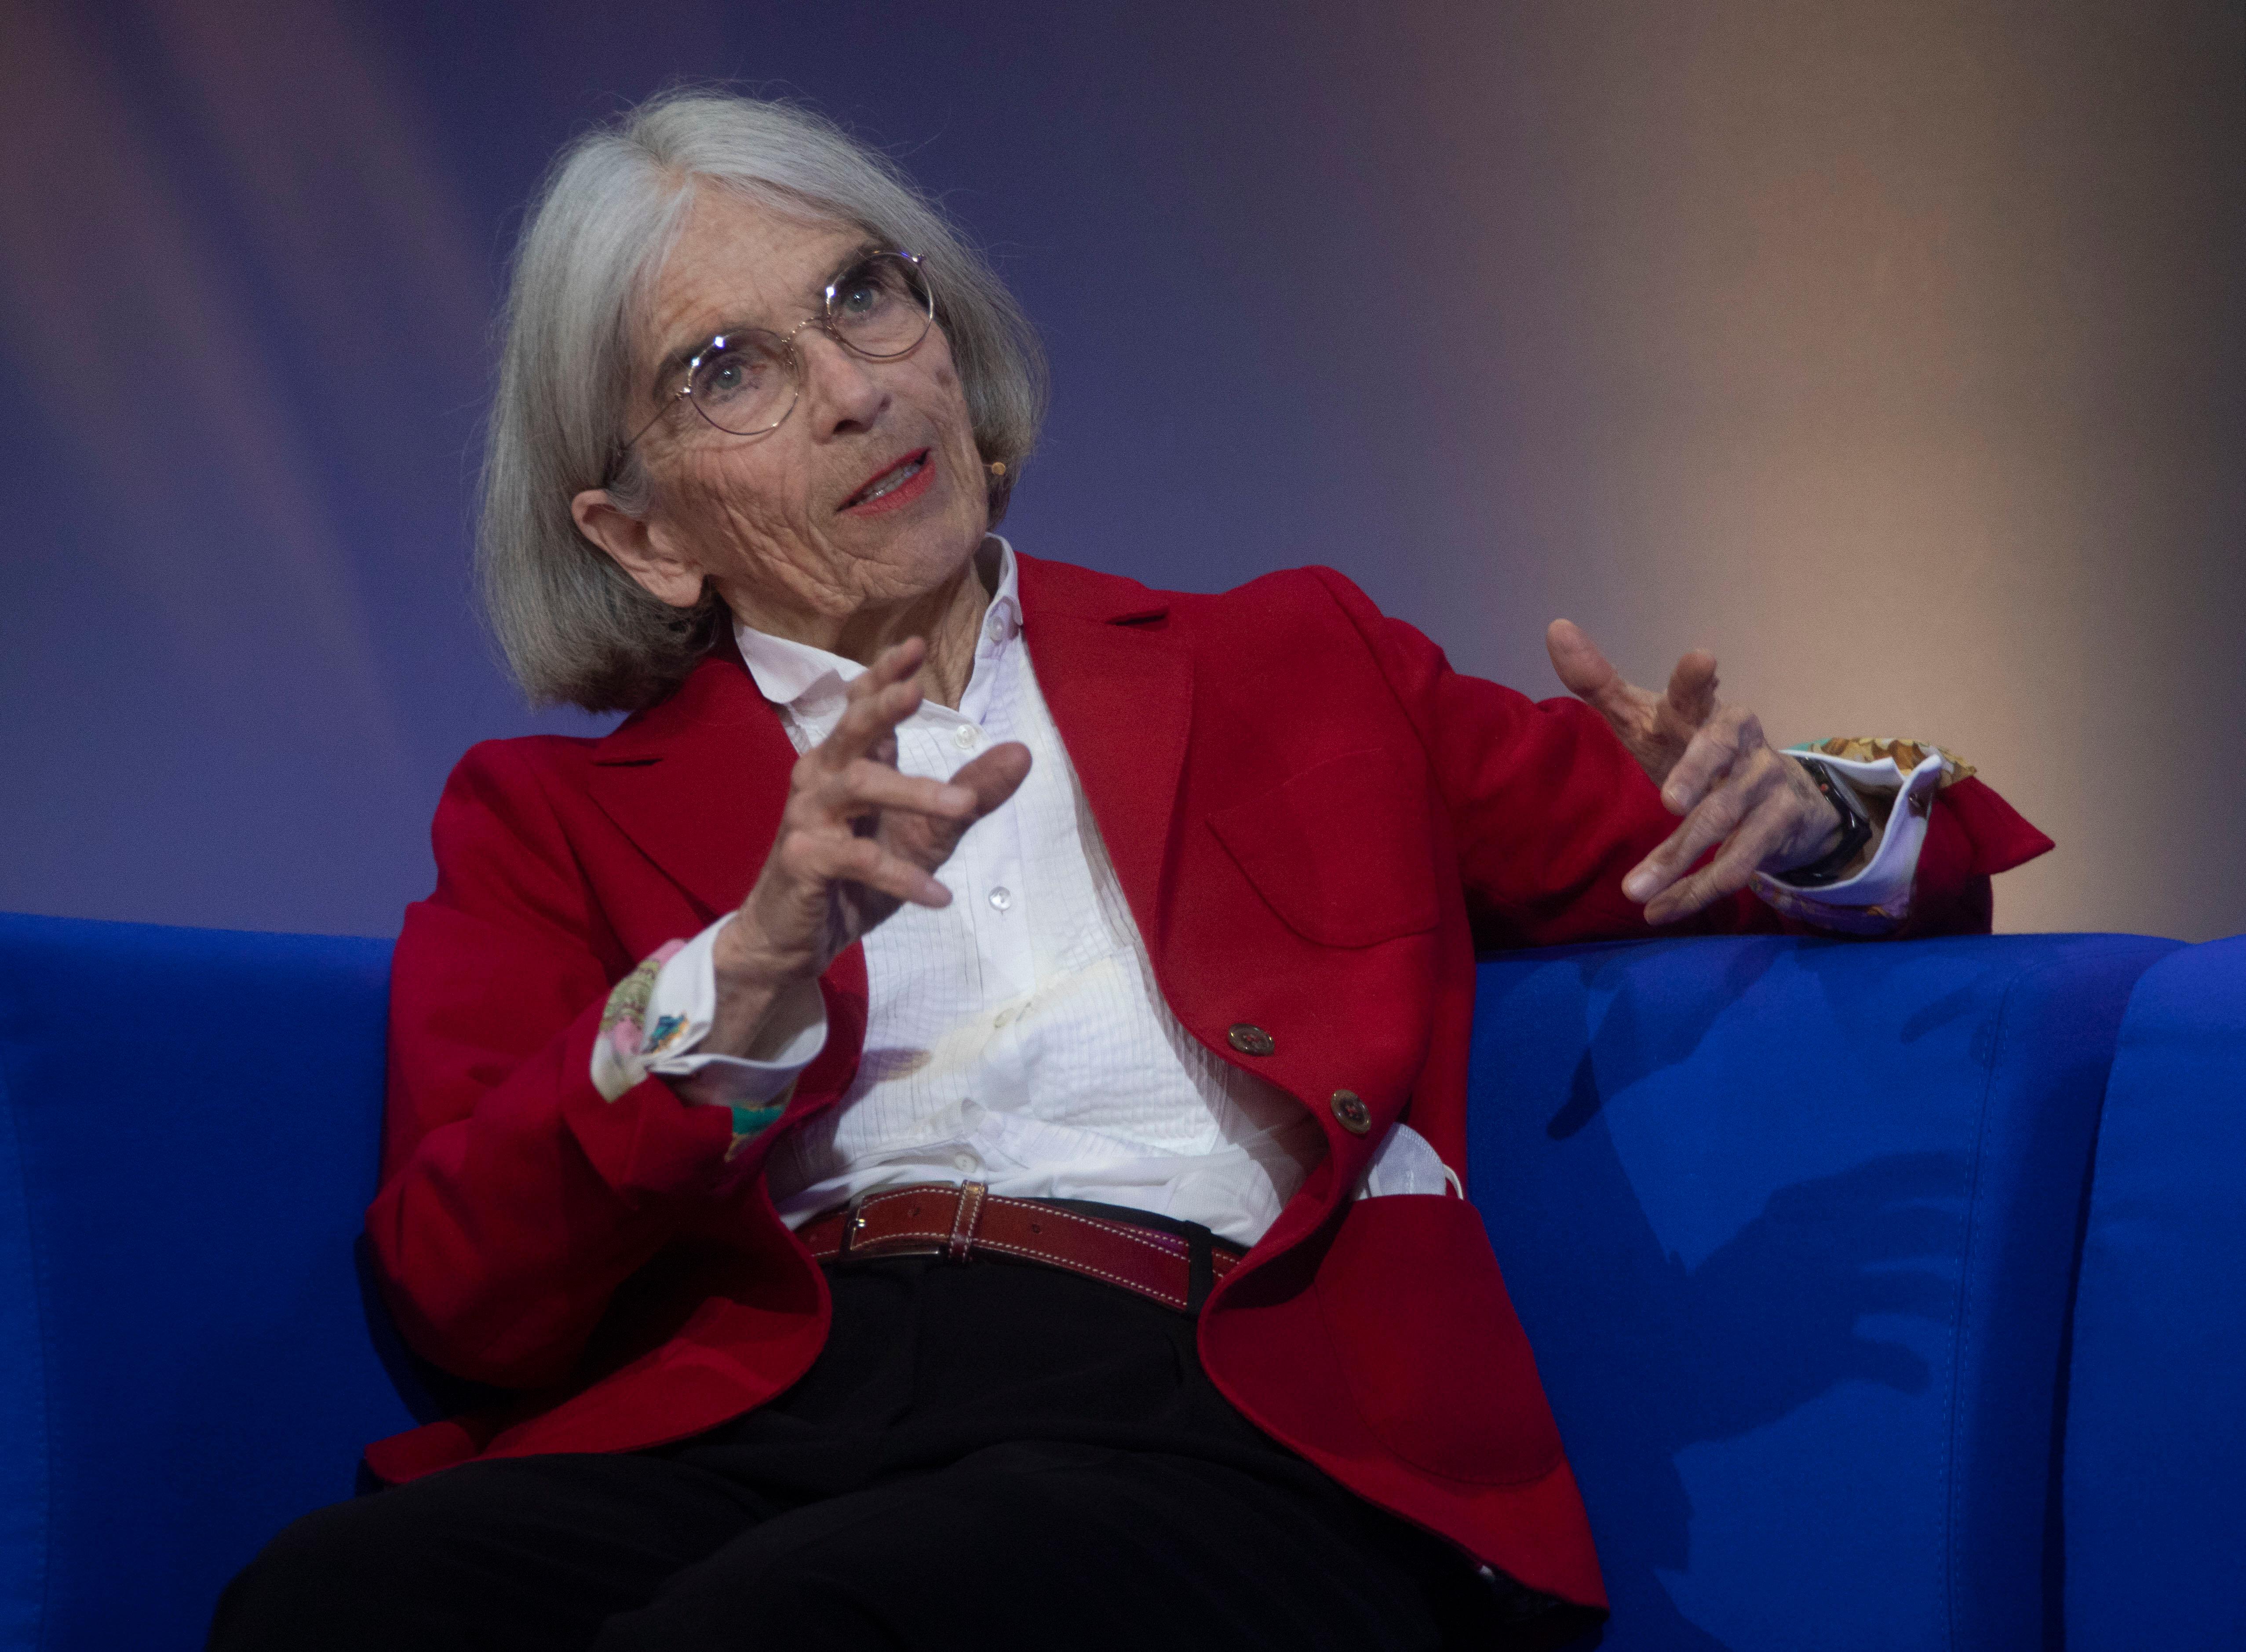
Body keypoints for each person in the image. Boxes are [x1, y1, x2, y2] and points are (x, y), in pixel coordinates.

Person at [209, 89, 2050, 1650]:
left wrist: (1803, 817)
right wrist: (729, 990)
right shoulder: (546, 814)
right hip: (776, 1399)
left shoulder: (1291, 664)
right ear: (640, 536)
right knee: (334, 1601)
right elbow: (459, 1286)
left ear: (944, 334)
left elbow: (1756, 846)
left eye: (861, 295)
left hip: (1213, 1401)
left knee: (795, 1625)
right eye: (728, 370)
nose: (850, 388)